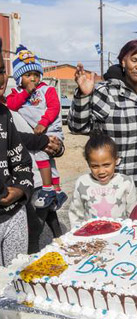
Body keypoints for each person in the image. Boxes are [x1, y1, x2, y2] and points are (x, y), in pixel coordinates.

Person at [69, 32, 137, 200]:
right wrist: (83, 96)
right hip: (115, 188)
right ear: (123, 61)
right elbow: (77, 127)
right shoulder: (105, 93)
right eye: (134, 60)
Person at [0, 38, 65, 253]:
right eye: (28, 75)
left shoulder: (44, 92)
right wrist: (43, 140)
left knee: (40, 218)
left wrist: (55, 144)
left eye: (2, 70)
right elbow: (21, 138)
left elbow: (54, 125)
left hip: (29, 183)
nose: (33, 79)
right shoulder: (12, 103)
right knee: (34, 228)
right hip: (21, 187)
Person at [6, 45, 66, 210]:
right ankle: (56, 190)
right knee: (46, 159)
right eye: (27, 75)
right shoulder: (15, 93)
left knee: (44, 155)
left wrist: (43, 123)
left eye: (36, 74)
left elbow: (54, 107)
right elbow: (12, 104)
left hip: (50, 129)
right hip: (38, 136)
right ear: (19, 78)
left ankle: (49, 189)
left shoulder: (47, 90)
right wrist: (25, 93)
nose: (33, 79)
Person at [68, 133, 137, 227]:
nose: (101, 171)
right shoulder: (82, 182)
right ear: (88, 164)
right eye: (95, 166)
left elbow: (133, 213)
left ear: (116, 160)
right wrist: (76, 234)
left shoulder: (126, 182)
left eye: (106, 165)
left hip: (119, 235)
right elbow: (75, 213)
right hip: (92, 237)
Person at [0, 96, 34, 266]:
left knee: (15, 282)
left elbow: (22, 162)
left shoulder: (4, 114)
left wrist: (20, 189)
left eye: (1, 71)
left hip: (14, 214)